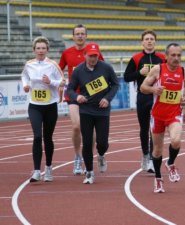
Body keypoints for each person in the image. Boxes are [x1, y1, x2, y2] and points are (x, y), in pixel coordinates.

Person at [140, 43, 185, 193]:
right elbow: (143, 87)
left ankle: (171, 163)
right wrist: (154, 89)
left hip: (174, 114)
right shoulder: (158, 69)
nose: (176, 58)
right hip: (157, 116)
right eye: (173, 55)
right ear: (166, 56)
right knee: (157, 150)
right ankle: (158, 178)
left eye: (179, 55)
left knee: (176, 141)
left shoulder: (184, 72)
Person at [67, 43, 119, 184]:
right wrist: (76, 97)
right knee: (88, 141)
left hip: (102, 111)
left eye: (95, 56)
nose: (93, 58)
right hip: (86, 110)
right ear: (85, 55)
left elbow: (115, 84)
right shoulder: (78, 70)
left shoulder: (106, 68)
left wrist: (107, 99)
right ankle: (89, 172)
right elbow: (70, 89)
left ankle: (101, 155)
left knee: (102, 143)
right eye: (90, 56)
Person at [59, 24, 104, 175]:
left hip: (92, 95)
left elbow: (103, 68)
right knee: (77, 126)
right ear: (73, 36)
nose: (79, 36)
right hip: (74, 94)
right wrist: (61, 81)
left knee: (90, 129)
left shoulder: (93, 51)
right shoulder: (67, 52)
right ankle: (78, 156)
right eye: (77, 34)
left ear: (86, 36)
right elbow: (58, 69)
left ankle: (88, 157)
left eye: (82, 34)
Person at [21, 36, 66, 183]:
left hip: (50, 106)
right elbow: (24, 76)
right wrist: (26, 86)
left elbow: (62, 82)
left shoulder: (52, 65)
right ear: (34, 50)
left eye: (43, 48)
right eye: (38, 48)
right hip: (34, 105)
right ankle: (36, 171)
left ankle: (48, 168)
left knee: (47, 137)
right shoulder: (29, 64)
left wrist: (50, 81)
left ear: (47, 50)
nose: (41, 51)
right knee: (37, 136)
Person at [124, 29, 166, 173]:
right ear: (142, 42)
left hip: (158, 96)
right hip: (142, 96)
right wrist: (138, 73)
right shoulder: (136, 59)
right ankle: (145, 155)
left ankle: (154, 159)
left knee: (155, 128)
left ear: (155, 42)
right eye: (146, 39)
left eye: (152, 39)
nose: (149, 41)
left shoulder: (162, 58)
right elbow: (126, 77)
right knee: (144, 127)